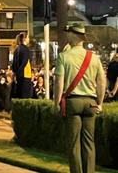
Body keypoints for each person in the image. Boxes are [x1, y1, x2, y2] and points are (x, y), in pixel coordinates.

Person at [54, 23, 106, 173]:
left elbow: (59, 82)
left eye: (69, 33)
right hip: (90, 102)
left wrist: (56, 103)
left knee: (73, 143)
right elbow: (101, 82)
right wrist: (100, 103)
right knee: (89, 143)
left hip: (72, 102)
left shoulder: (63, 57)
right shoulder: (94, 58)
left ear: (72, 36)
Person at [11, 33, 33, 99]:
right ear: (25, 39)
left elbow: (14, 64)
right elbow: (25, 62)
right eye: (28, 37)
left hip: (19, 76)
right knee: (25, 97)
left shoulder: (16, 49)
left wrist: (16, 73)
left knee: (19, 95)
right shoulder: (25, 49)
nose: (29, 39)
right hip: (25, 75)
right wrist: (20, 72)